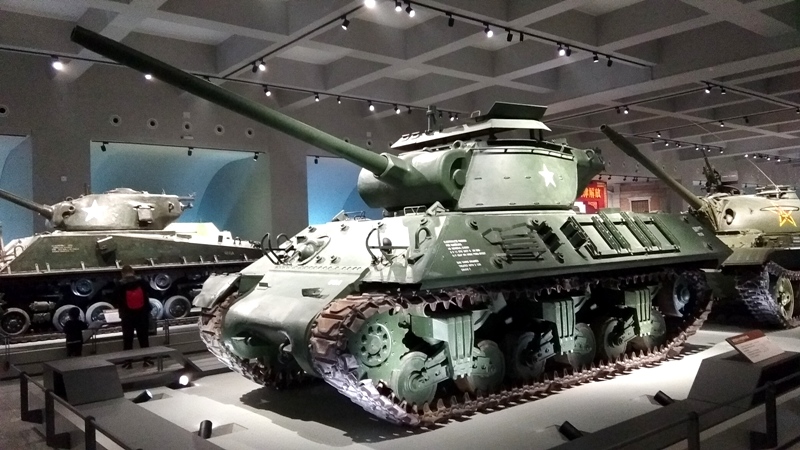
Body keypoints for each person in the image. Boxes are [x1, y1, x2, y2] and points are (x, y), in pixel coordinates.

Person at [112, 265, 153, 368]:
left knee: (128, 339)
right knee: (143, 338)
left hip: (127, 316)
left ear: (122, 273)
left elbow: (114, 299)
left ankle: (128, 362)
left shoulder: (120, 284)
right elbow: (151, 291)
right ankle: (147, 360)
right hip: (142, 314)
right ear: (133, 272)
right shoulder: (141, 282)